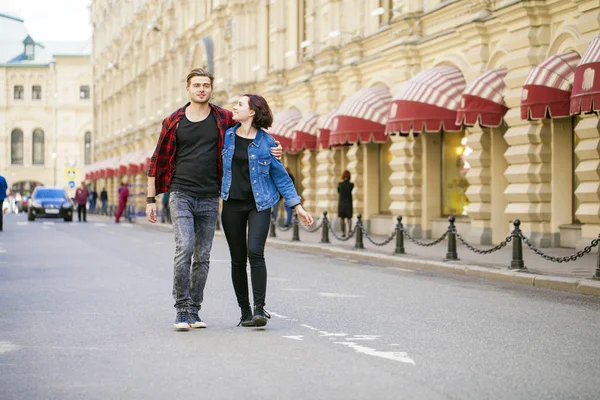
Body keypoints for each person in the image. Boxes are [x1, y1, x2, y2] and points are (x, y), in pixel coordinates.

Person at [145, 68, 282, 331]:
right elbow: (157, 159)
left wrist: (275, 147)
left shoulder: (223, 118)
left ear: (211, 89)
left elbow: (254, 129)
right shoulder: (173, 121)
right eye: (196, 85)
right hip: (181, 193)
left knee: (203, 256)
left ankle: (195, 310)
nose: (201, 89)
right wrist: (151, 199)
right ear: (188, 88)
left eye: (206, 85)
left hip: (210, 196)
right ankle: (182, 309)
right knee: (185, 248)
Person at [221, 94, 314, 328]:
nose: (235, 107)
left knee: (255, 251)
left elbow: (280, 177)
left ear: (252, 112)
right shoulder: (226, 137)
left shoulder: (268, 143)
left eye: (240, 104)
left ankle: (259, 308)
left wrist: (298, 207)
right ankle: (244, 311)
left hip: (260, 203)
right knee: (237, 259)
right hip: (231, 203)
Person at [338, 170, 354, 237]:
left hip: (341, 203)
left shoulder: (340, 184)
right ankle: (349, 231)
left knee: (342, 218)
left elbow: (338, 191)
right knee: (349, 218)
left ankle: (343, 232)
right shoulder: (351, 185)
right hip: (349, 203)